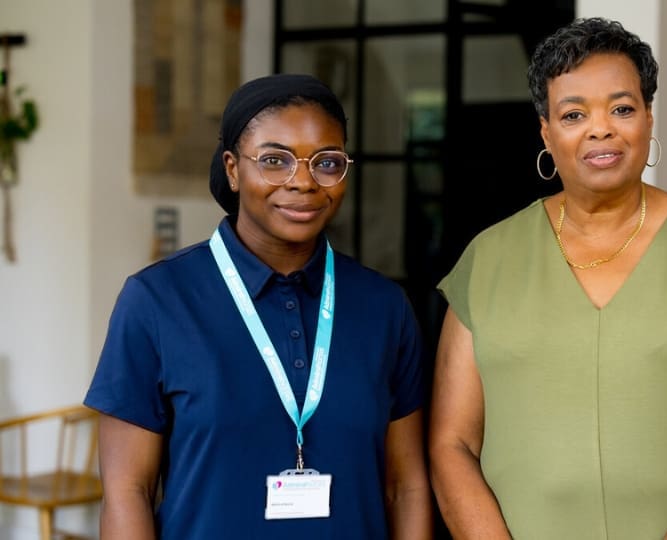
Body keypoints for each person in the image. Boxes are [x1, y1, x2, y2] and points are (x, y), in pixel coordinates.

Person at [429, 18, 667, 539]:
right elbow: (451, 444)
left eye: (622, 108)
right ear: (547, 132)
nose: (602, 129)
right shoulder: (489, 257)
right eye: (574, 114)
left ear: (647, 120)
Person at [85, 74, 432, 539]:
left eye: (327, 163)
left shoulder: (384, 308)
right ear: (232, 168)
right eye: (274, 160)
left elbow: (404, 486)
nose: (304, 182)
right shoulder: (157, 302)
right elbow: (128, 491)